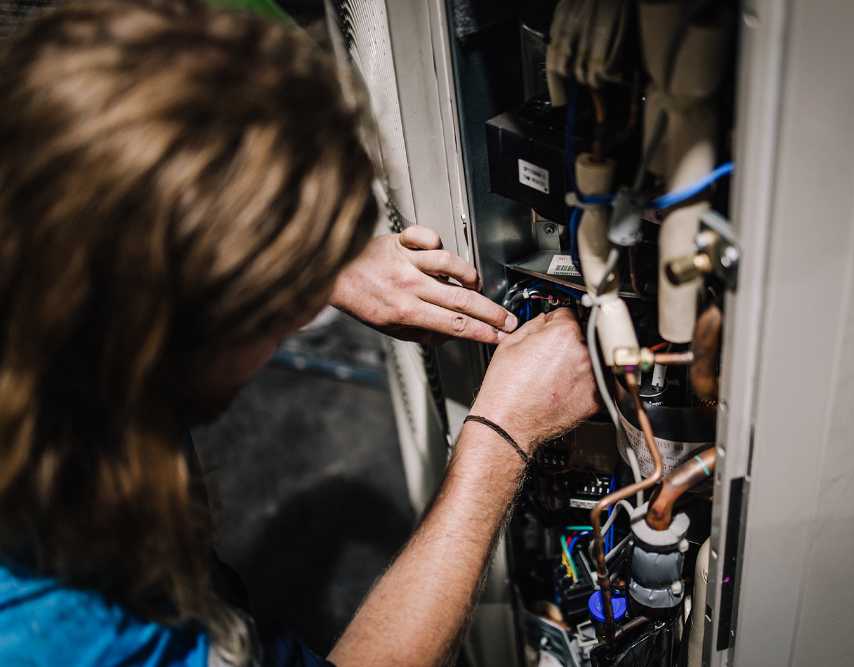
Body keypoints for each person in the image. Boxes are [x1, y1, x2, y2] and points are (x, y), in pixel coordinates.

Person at [0, 1, 599, 666]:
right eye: (281, 299)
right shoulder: (69, 630)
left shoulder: (45, 226)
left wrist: (304, 241)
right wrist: (499, 440)